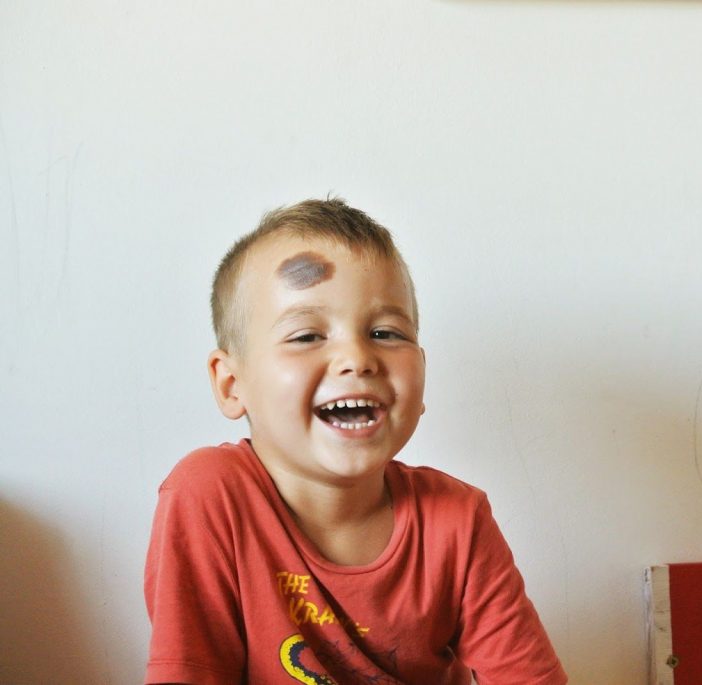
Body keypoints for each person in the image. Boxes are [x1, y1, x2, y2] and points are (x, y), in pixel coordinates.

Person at [144, 198, 567, 685]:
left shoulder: (457, 518)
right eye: (306, 336)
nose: (356, 358)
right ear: (231, 384)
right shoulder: (209, 496)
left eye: (386, 332)